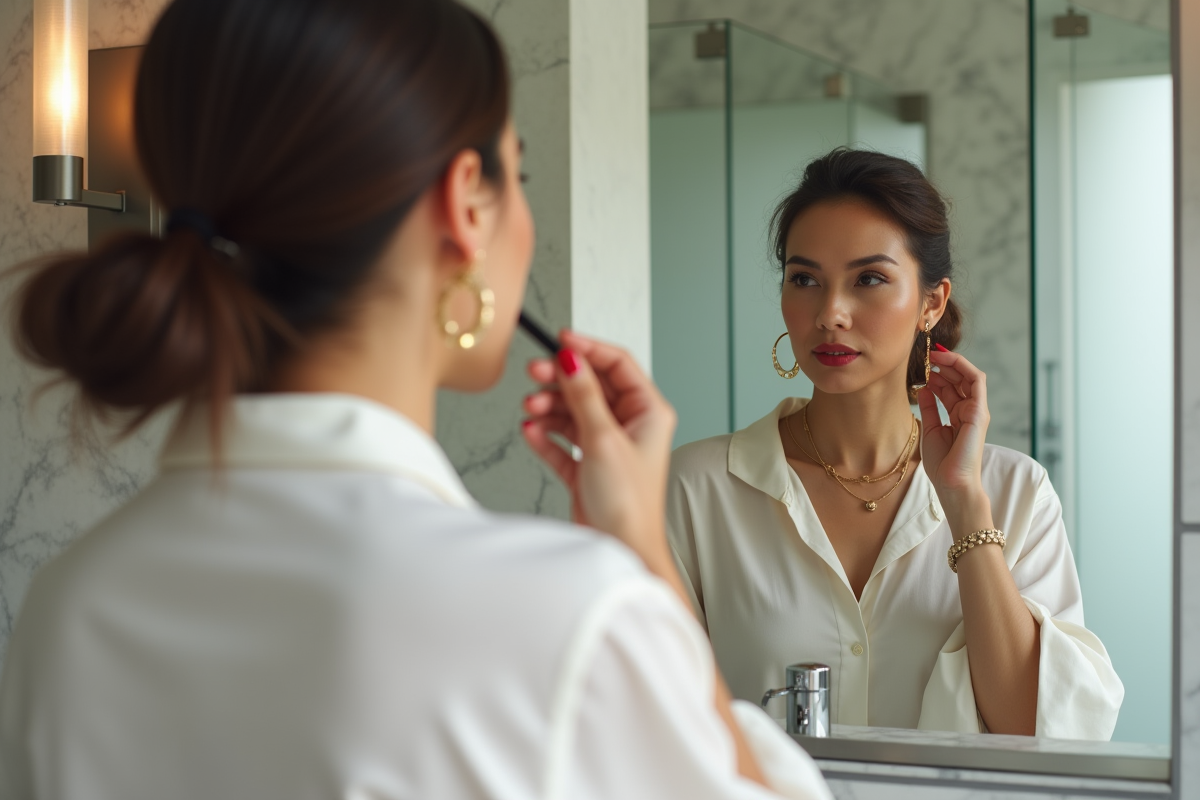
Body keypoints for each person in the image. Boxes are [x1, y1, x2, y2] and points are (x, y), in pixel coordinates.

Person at [0, 1, 833, 798]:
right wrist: (640, 549)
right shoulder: (569, 618)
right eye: (521, 172)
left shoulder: (72, 603)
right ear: (465, 202)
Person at [666, 148, 1123, 739]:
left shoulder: (1015, 492)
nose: (831, 312)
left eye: (869, 279)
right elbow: (654, 720)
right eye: (805, 279)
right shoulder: (697, 489)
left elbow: (1037, 732)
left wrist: (965, 506)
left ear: (931, 302)